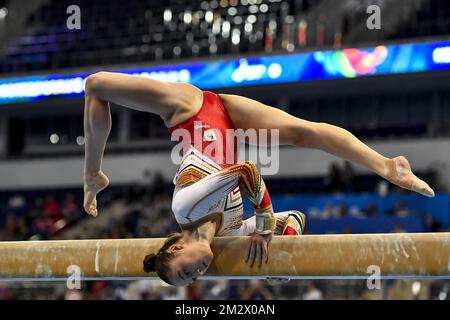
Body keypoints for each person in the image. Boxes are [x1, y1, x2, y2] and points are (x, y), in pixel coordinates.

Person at [81, 71, 435, 284]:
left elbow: (247, 171)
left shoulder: (185, 209)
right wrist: (282, 252)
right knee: (303, 132)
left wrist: (264, 224)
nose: (197, 277)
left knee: (95, 85)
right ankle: (389, 166)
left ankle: (92, 174)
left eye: (186, 273)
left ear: (176, 247)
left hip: (186, 111)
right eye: (191, 281)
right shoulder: (229, 234)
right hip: (228, 121)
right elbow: (294, 218)